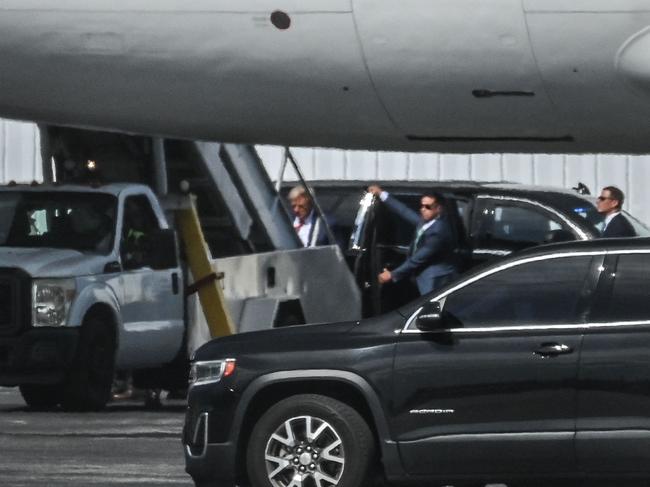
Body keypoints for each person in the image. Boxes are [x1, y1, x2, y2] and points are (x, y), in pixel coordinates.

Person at [368, 185, 458, 295]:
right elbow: (404, 211)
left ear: (439, 209)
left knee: (431, 308)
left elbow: (418, 258)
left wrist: (393, 274)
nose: (423, 209)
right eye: (422, 206)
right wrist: (381, 194)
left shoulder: (439, 231)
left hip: (435, 279)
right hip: (422, 277)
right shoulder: (425, 222)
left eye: (428, 206)